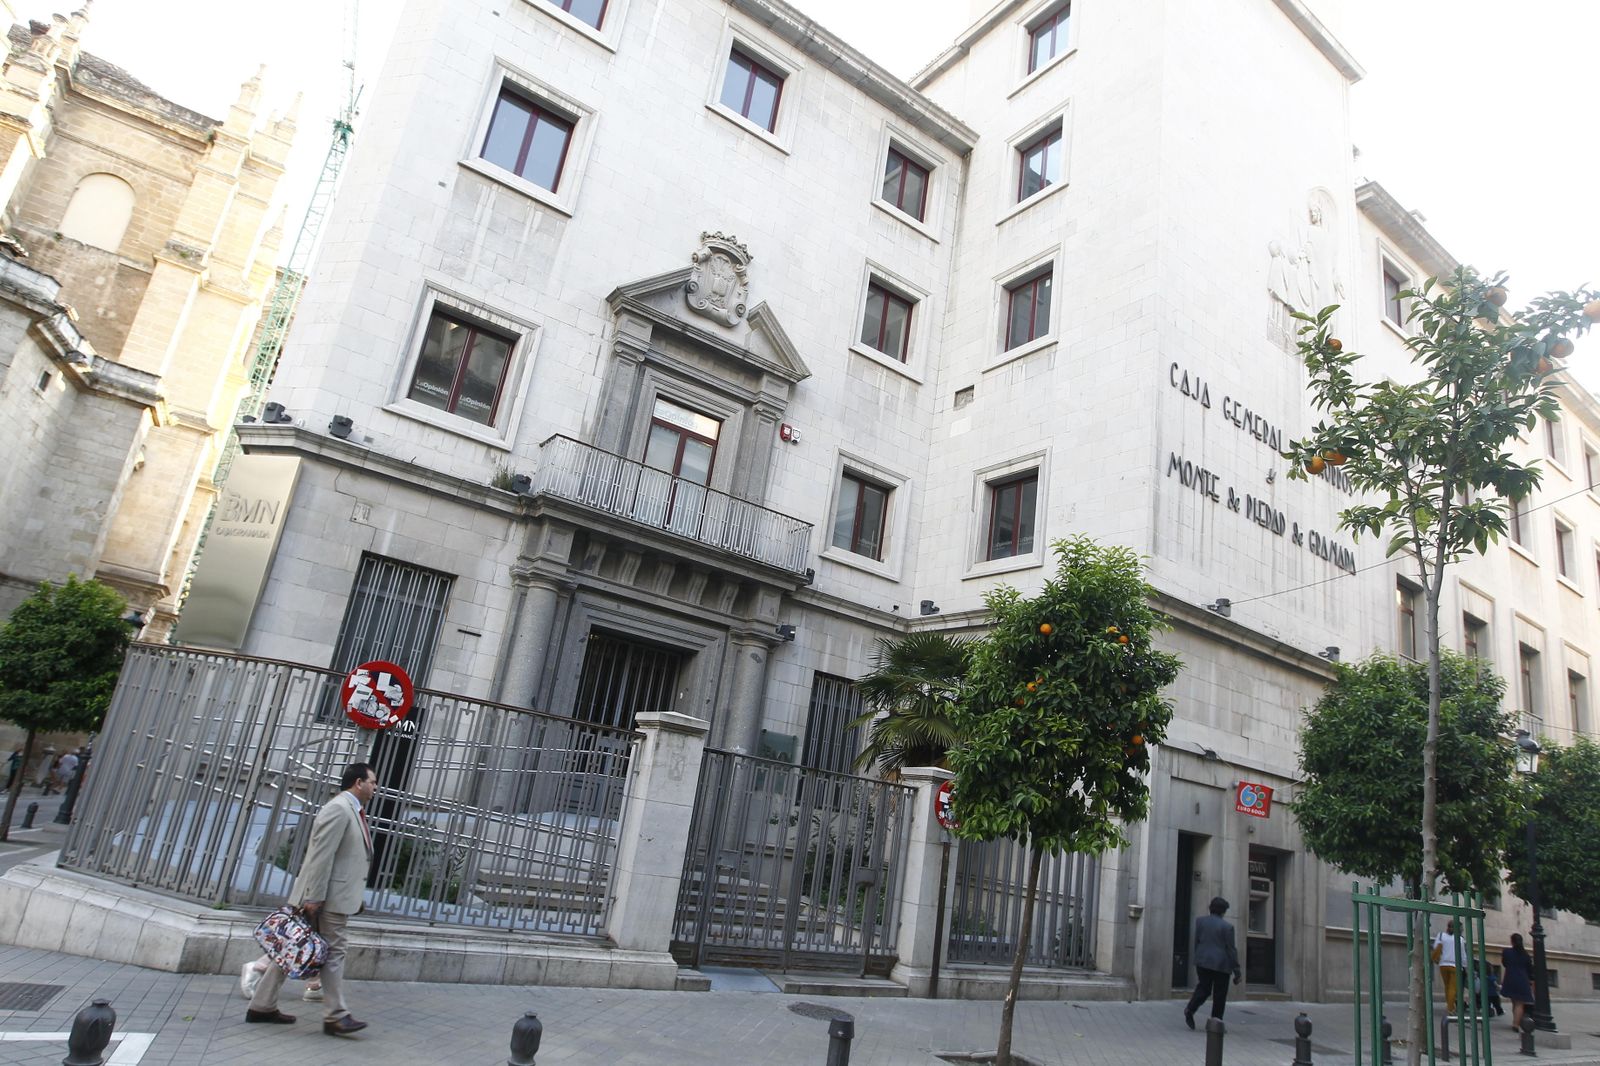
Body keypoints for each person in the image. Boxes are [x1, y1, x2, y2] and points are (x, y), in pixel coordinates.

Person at [245, 761, 376, 1037]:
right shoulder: (339, 809)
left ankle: (262, 1005)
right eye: (372, 782)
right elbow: (320, 856)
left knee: (292, 948)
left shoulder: (352, 810)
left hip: (331, 896)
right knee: (334, 951)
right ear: (358, 783)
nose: (375, 787)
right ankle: (336, 1015)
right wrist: (314, 897)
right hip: (324, 898)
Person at [1184, 896, 1242, 1029]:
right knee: (1219, 994)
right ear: (1223, 911)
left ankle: (1190, 1009)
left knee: (1203, 988)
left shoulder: (1200, 921)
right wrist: (1237, 971)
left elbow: (1197, 941)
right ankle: (1215, 1022)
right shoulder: (1227, 927)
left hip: (1203, 961)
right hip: (1221, 965)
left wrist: (1198, 956)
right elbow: (1231, 950)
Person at [1501, 933, 1536, 1032]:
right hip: (1522, 979)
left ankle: (1515, 1021)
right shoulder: (1526, 955)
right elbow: (1530, 969)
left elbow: (1504, 963)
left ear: (1512, 941)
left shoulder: (1507, 952)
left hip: (1510, 978)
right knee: (1519, 1003)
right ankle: (1516, 1024)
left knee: (1515, 1002)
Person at [1432, 919, 1464, 1016]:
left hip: (1443, 965)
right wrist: (1464, 966)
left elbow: (1435, 947)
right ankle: (1450, 1008)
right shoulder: (1460, 939)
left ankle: (1450, 1005)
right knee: (1453, 987)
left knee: (1447, 986)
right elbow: (1462, 954)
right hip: (1455, 965)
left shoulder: (1441, 935)